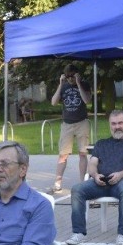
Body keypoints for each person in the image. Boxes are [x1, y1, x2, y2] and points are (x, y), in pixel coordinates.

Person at [65, 110, 123, 245]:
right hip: (101, 182)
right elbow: (92, 163)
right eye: (113, 124)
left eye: (120, 123)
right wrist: (95, 175)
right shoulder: (101, 143)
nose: (117, 126)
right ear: (110, 125)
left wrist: (121, 174)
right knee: (77, 189)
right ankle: (78, 233)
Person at [48, 64, 91, 193]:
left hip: (81, 123)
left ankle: (83, 182)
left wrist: (78, 84)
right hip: (67, 124)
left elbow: (87, 100)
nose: (70, 79)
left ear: (77, 75)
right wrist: (60, 84)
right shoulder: (63, 85)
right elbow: (54, 102)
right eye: (68, 76)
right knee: (63, 155)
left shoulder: (84, 84)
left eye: (72, 76)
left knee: (83, 153)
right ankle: (57, 183)